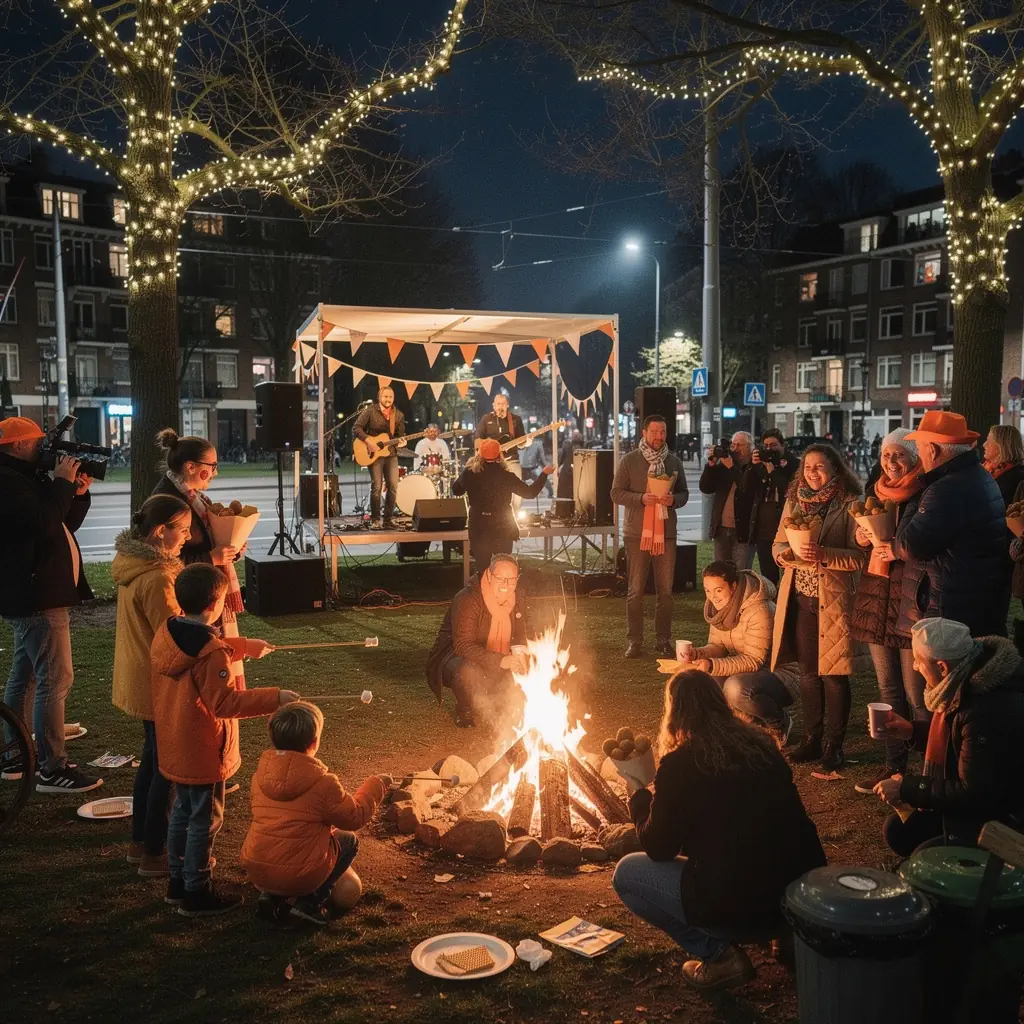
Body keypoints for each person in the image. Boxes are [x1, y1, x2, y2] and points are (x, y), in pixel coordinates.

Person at [613, 670, 826, 992]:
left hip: (737, 905)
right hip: (799, 895)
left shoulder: (679, 764)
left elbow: (658, 848)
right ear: (720, 702)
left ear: (675, 711)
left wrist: (639, 794)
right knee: (765, 844)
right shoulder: (762, 746)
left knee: (627, 874)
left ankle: (719, 954)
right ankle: (784, 937)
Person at [150, 563, 297, 917]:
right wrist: (275, 698)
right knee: (206, 820)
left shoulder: (168, 633)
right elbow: (225, 702)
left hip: (176, 745)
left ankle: (178, 884)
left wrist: (242, 647)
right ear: (216, 604)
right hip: (203, 751)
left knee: (183, 814)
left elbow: (201, 650)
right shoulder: (210, 652)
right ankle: (197, 891)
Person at [0, 416, 100, 793]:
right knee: (54, 680)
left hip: (36, 591)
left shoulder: (22, 478)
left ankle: (15, 754)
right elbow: (42, 522)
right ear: (17, 445)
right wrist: (60, 483)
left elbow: (61, 524)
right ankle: (51, 767)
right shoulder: (7, 481)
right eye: (36, 442)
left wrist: (76, 492)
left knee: (24, 678)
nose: (43, 448)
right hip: (36, 594)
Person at [873, 618, 1024, 856]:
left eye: (919, 661)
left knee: (922, 859)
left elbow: (972, 792)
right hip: (980, 807)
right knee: (898, 831)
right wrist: (912, 732)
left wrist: (908, 788)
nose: (914, 667)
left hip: (998, 823)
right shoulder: (964, 680)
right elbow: (959, 745)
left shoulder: (984, 709)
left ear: (942, 667)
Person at [153, 428, 248, 794]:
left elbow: (207, 539)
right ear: (190, 466)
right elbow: (166, 553)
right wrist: (210, 557)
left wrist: (229, 547)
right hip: (192, 600)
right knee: (209, 681)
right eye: (210, 467)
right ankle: (206, 765)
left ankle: (215, 760)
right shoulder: (169, 498)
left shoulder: (190, 494)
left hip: (206, 592)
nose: (215, 474)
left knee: (216, 677)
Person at [241, 701, 388, 926]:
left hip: (257, 868)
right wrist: (375, 785)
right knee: (348, 841)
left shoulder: (259, 777)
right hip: (299, 876)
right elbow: (354, 817)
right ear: (315, 741)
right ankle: (309, 903)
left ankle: (270, 896)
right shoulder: (324, 783)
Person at [772, 444, 866, 772]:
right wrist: (785, 555)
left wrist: (825, 555)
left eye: (820, 466)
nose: (813, 472)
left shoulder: (851, 504)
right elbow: (778, 544)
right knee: (809, 675)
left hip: (834, 602)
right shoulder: (794, 501)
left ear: (835, 469)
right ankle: (811, 739)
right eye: (808, 466)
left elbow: (860, 557)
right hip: (801, 599)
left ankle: (834, 746)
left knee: (835, 676)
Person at [112, 494, 192, 877]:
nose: (188, 539)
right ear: (161, 532)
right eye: (184, 530)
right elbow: (174, 634)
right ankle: (154, 852)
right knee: (166, 767)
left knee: (152, 760)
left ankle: (139, 842)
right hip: (158, 681)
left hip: (140, 676)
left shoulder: (132, 565)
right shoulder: (158, 577)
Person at [851, 428, 930, 796]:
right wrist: (862, 537)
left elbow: (924, 544)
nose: (892, 462)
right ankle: (894, 767)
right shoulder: (876, 492)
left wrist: (895, 545)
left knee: (918, 695)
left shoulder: (926, 493)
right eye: (887, 455)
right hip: (877, 597)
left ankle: (930, 774)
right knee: (887, 688)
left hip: (909, 602)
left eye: (899, 455)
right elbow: (862, 537)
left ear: (914, 458)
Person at [890, 411, 1007, 638]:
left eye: (921, 448)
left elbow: (907, 546)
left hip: (948, 610)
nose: (920, 455)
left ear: (933, 450)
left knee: (948, 672)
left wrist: (917, 491)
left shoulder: (945, 489)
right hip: (974, 604)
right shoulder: (980, 476)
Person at [673, 561, 798, 745]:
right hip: (751, 672)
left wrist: (711, 665)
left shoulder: (759, 609)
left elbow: (754, 660)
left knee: (734, 688)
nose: (713, 597)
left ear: (734, 586)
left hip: (780, 673)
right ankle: (747, 725)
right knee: (709, 682)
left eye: (718, 590)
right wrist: (697, 654)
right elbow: (718, 646)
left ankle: (778, 723)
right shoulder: (720, 609)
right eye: (708, 591)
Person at [612, 415, 689, 660]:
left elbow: (684, 493)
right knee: (635, 591)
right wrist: (641, 499)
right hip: (637, 534)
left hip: (666, 534)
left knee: (665, 592)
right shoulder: (629, 461)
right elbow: (615, 493)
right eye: (654, 432)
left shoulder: (674, 461)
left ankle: (663, 640)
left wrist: (673, 500)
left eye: (663, 432)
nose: (659, 436)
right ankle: (634, 641)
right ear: (644, 433)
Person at [425, 554, 531, 729]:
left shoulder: (518, 597)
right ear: (489, 576)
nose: (506, 585)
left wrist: (523, 652)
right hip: (454, 656)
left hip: (496, 655)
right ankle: (464, 708)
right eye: (500, 578)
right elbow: (462, 645)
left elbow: (524, 632)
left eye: (511, 579)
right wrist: (502, 660)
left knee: (527, 668)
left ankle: (500, 700)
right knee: (466, 670)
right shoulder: (468, 599)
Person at [451, 439, 553, 572]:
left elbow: (456, 490)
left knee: (483, 569)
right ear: (500, 455)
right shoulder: (507, 476)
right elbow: (530, 493)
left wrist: (466, 470)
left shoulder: (470, 473)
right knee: (503, 568)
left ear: (479, 455)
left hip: (479, 526)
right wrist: (544, 474)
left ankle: (484, 590)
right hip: (503, 526)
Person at [745, 429, 796, 586]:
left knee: (791, 577)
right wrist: (751, 466)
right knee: (768, 576)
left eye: (774, 445)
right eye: (766, 445)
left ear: (783, 446)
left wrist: (773, 472)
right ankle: (772, 607)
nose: (769, 449)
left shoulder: (794, 464)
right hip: (764, 531)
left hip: (787, 529)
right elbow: (745, 488)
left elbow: (790, 491)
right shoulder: (760, 464)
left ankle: (788, 608)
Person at [352, 387, 407, 528]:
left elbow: (400, 436)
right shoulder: (370, 411)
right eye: (385, 396)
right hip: (373, 454)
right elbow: (357, 428)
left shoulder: (399, 415)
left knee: (393, 486)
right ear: (379, 397)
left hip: (391, 454)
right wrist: (368, 442)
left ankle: (388, 520)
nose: (388, 399)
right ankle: (376, 520)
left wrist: (402, 442)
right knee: (376, 486)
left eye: (390, 397)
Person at [699, 431, 755, 567]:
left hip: (743, 530)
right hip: (721, 528)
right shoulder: (724, 465)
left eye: (739, 445)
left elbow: (746, 488)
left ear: (749, 447)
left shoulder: (754, 466)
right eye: (732, 444)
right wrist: (711, 465)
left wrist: (731, 467)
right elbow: (706, 488)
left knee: (741, 573)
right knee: (720, 572)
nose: (734, 448)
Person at [982, 423, 1024, 505]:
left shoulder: (1014, 479)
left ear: (1002, 446)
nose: (984, 445)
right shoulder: (988, 469)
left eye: (989, 441)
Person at [519, 434, 553, 499]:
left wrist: (546, 466)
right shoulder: (520, 444)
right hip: (522, 469)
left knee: (543, 479)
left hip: (533, 469)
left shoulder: (537, 444)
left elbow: (542, 458)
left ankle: (551, 493)